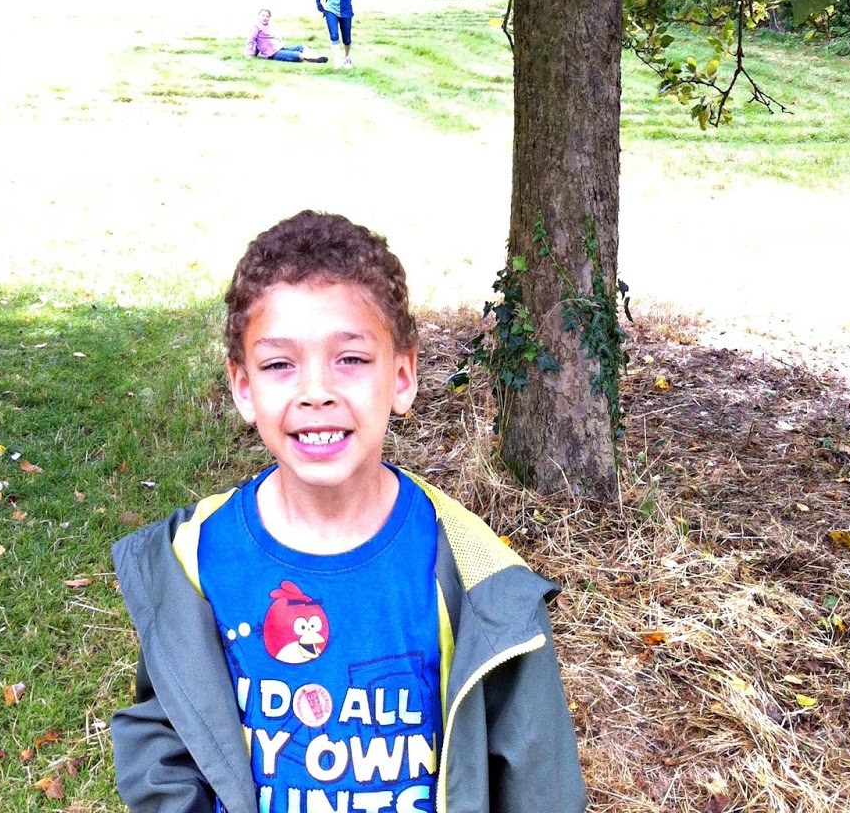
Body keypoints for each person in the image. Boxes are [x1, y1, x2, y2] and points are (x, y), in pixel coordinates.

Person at [110, 210, 588, 813]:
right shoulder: (197, 560)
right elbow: (167, 738)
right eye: (280, 364)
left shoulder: (474, 573)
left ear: (403, 377)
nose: (316, 391)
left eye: (351, 359)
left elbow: (538, 782)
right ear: (242, 387)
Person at [246, 9, 330, 64]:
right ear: (258, 16)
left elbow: (265, 41)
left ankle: (317, 58)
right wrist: (250, 54)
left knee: (303, 47)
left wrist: (256, 53)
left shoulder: (269, 26)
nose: (265, 18)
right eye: (263, 15)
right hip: (272, 53)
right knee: (298, 55)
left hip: (280, 48)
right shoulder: (256, 26)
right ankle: (310, 60)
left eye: (267, 16)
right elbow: (251, 40)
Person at [315, 0, 355, 68]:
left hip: (345, 11)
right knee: (334, 35)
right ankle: (337, 60)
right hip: (330, 10)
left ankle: (347, 57)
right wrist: (319, 4)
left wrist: (345, 1)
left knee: (346, 38)